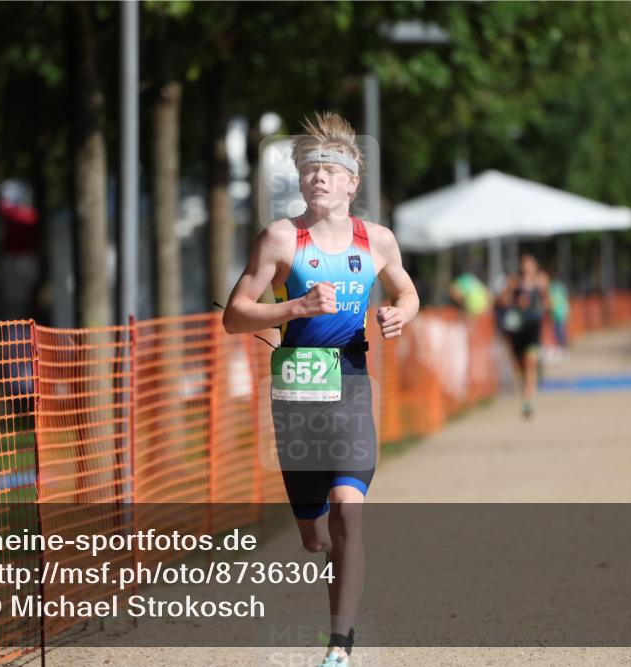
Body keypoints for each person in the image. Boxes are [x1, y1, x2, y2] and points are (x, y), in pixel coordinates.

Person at [223, 112, 419, 666]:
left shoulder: (377, 241)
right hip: (297, 390)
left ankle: (340, 644)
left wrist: (399, 314)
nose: (320, 177)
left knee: (348, 512)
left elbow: (408, 292)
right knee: (315, 536)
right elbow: (235, 317)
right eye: (310, 169)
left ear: (352, 182)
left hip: (352, 383)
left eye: (331, 169)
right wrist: (295, 307)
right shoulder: (281, 239)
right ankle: (326, 552)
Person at [495, 254, 548, 419]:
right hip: (517, 330)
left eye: (529, 265)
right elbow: (501, 302)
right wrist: (510, 290)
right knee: (520, 367)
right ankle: (528, 385)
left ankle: (528, 400)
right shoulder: (514, 282)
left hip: (533, 328)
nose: (526, 268)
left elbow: (548, 304)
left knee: (530, 362)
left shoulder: (541, 282)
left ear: (535, 266)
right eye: (524, 265)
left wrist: (543, 294)